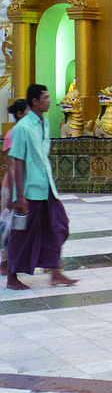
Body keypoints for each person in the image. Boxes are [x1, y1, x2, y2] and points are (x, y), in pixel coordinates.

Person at [6, 85, 75, 291]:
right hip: (29, 191)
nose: (48, 101)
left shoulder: (45, 122)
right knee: (22, 234)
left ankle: (54, 271)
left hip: (46, 188)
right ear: (34, 101)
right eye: (45, 98)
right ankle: (11, 275)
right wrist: (19, 196)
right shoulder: (22, 128)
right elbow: (17, 161)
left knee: (59, 226)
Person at [1, 98, 28, 277]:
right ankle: (5, 262)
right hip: (11, 188)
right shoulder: (13, 135)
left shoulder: (24, 133)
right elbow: (11, 168)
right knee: (11, 225)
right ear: (19, 114)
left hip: (22, 187)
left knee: (20, 225)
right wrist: (13, 195)